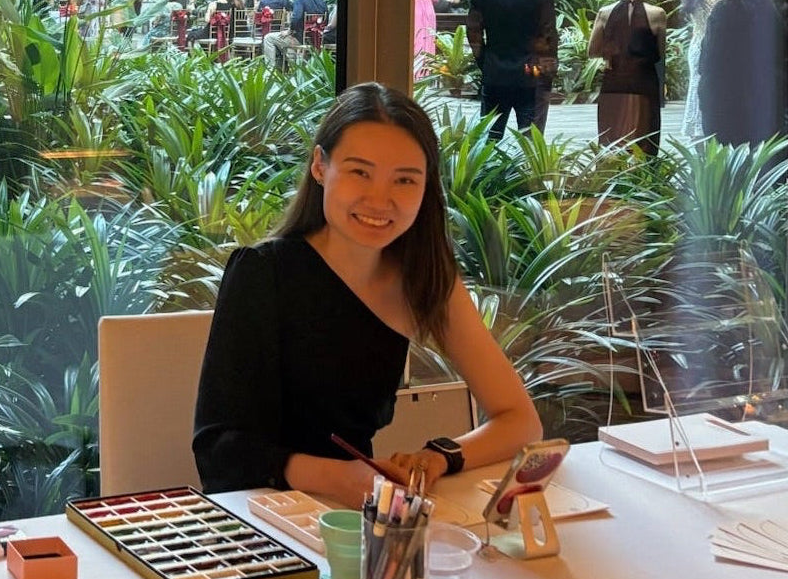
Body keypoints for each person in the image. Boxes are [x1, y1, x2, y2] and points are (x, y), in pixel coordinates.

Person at [193, 82, 543, 504]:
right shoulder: (262, 272)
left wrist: (439, 456)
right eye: (360, 172)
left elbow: (520, 421)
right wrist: (341, 478)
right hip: (261, 513)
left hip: (358, 515)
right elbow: (218, 451)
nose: (381, 200)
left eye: (404, 180)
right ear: (320, 166)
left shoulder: (424, 277)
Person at [465, 0, 557, 140]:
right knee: (530, 140)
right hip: (530, 75)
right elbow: (548, 33)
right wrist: (547, 71)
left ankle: (491, 172)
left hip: (495, 72)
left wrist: (484, 60)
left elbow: (474, 31)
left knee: (490, 138)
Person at [699, 0, 788, 147]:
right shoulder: (770, 13)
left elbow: (708, 59)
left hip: (724, 101)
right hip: (763, 103)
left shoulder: (722, 11)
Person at [588, 0, 667, 157]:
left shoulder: (604, 13)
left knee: (611, 142)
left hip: (614, 85)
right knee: (645, 144)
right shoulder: (658, 14)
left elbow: (593, 51)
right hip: (644, 85)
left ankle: (612, 183)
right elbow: (660, 54)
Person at [680, 0, 724, 140]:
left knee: (696, 87)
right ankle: (703, 131)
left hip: (696, 44)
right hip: (710, 45)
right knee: (708, 88)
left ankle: (695, 132)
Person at [262, 0, 328, 69]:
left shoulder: (300, 0)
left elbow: (296, 18)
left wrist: (290, 30)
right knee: (289, 46)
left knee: (268, 38)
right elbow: (326, 21)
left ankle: (270, 70)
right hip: (317, 39)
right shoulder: (323, 2)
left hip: (300, 39)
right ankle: (296, 70)